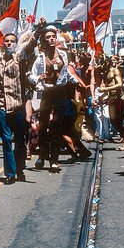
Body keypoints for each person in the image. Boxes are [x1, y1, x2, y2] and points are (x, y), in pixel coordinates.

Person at [0, 18, 46, 184]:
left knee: (20, 140)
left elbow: (30, 43)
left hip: (18, 106)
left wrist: (39, 29)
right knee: (6, 140)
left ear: (15, 43)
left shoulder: (19, 57)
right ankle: (10, 173)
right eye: (6, 41)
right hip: (1, 106)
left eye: (12, 41)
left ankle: (20, 169)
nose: (9, 44)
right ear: (3, 44)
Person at [29, 26, 80, 172]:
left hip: (60, 93)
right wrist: (39, 77)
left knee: (57, 127)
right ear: (44, 41)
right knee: (43, 127)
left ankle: (54, 160)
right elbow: (31, 76)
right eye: (48, 37)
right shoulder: (40, 58)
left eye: (53, 37)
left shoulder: (63, 55)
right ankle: (42, 156)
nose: (51, 39)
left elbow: (66, 73)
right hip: (46, 93)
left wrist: (77, 82)